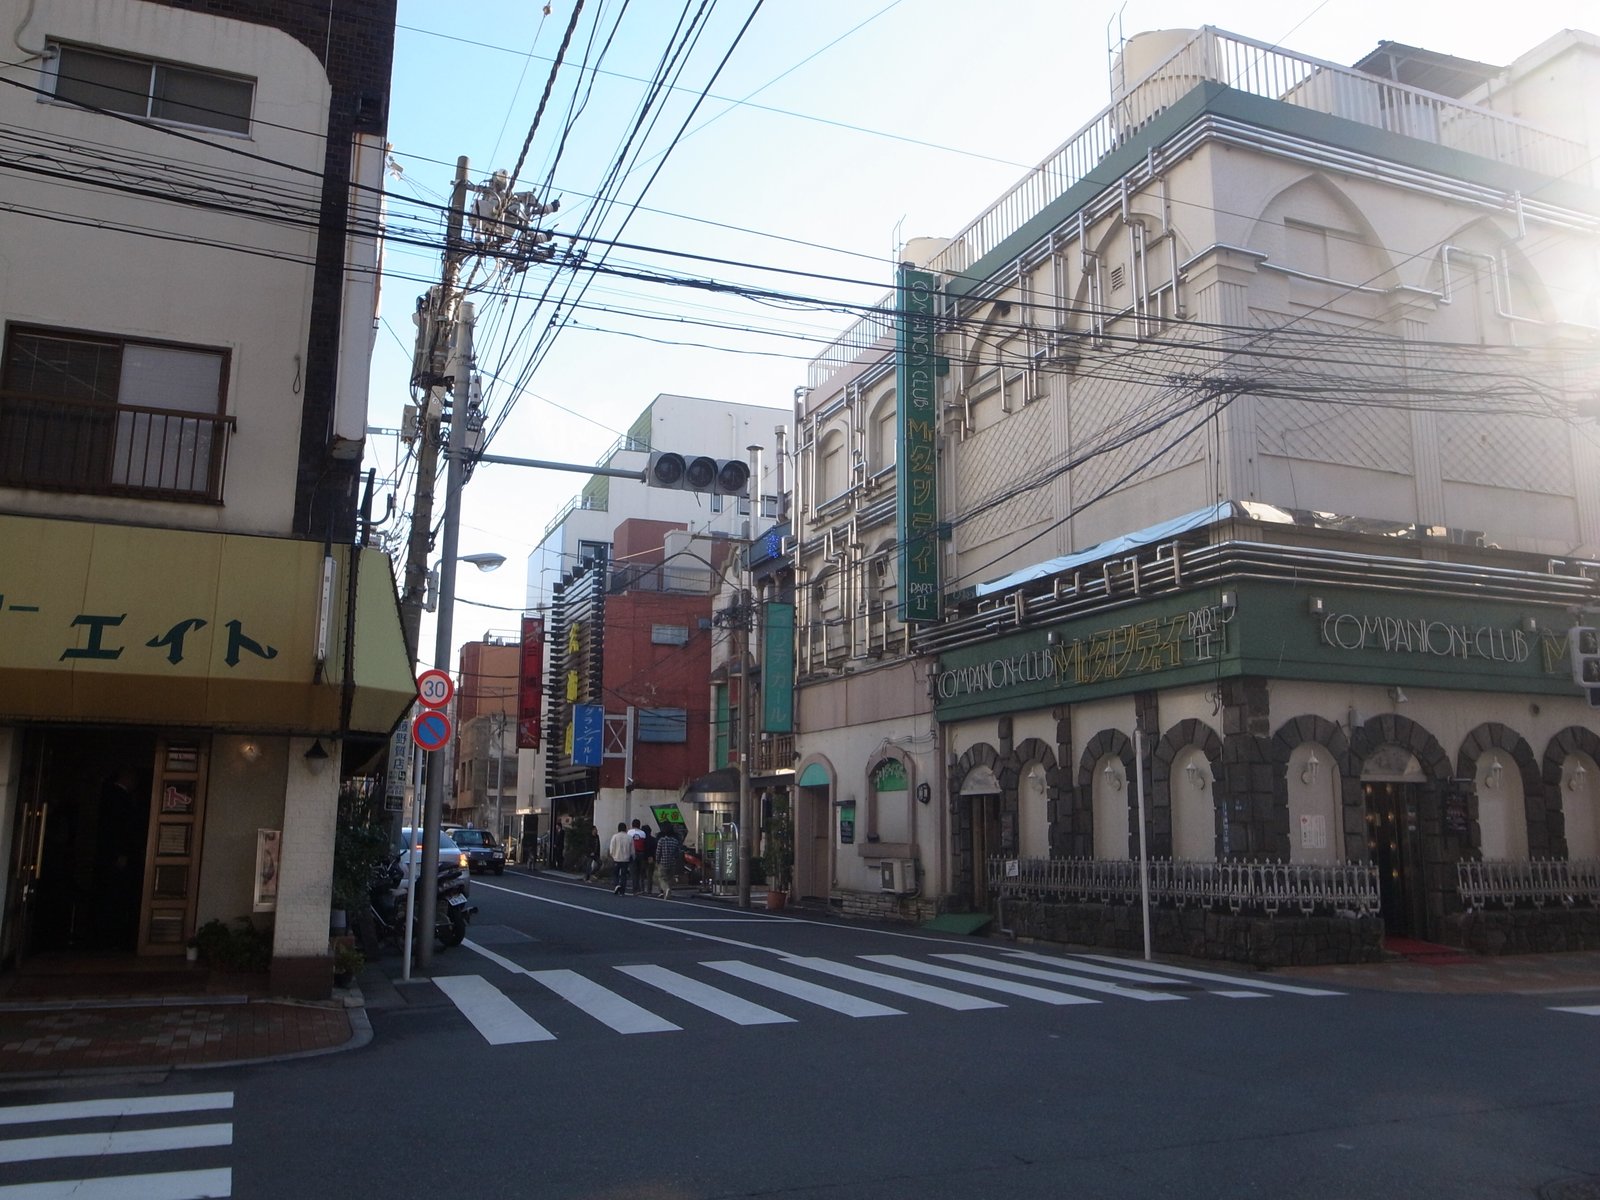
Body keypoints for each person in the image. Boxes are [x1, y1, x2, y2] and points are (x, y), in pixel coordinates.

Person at [654, 823, 684, 899]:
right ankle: (668, 892)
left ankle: (666, 889)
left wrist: (657, 861)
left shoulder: (661, 840)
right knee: (670, 878)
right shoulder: (675, 841)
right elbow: (677, 853)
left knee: (662, 878)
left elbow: (658, 852)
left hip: (663, 862)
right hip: (672, 862)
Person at [608, 822, 634, 894]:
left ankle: (617, 884)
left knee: (615, 873)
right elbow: (632, 850)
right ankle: (622, 890)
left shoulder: (615, 837)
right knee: (624, 875)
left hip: (616, 858)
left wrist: (612, 855)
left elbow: (612, 849)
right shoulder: (629, 837)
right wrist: (631, 857)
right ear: (625, 828)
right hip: (626, 859)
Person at [635, 824, 656, 896]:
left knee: (642, 874)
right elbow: (655, 849)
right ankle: (649, 890)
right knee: (650, 875)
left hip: (643, 858)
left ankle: (642, 889)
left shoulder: (642, 840)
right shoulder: (653, 839)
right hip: (651, 858)